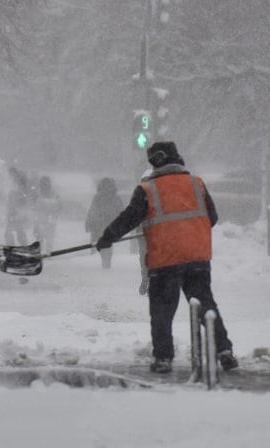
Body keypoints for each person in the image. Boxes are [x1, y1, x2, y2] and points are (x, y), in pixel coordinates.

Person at [94, 140, 237, 374]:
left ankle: (163, 358)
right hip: (197, 258)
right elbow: (212, 218)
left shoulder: (147, 190)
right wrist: (189, 230)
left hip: (164, 261)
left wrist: (107, 237)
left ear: (153, 164)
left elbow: (128, 219)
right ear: (177, 158)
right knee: (205, 305)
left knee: (161, 311)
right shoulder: (196, 183)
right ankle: (224, 351)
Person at [85, 177, 124, 268]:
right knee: (107, 246)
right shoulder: (115, 198)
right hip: (109, 226)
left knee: (95, 245)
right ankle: (106, 265)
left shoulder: (98, 198)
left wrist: (88, 222)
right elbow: (120, 212)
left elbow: (92, 211)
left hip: (98, 226)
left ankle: (97, 264)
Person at [33, 175, 62, 251]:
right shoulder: (54, 194)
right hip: (48, 220)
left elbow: (34, 206)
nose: (42, 186)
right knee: (48, 238)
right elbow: (59, 207)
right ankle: (47, 253)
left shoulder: (40, 195)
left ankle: (42, 252)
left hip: (44, 219)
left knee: (42, 237)